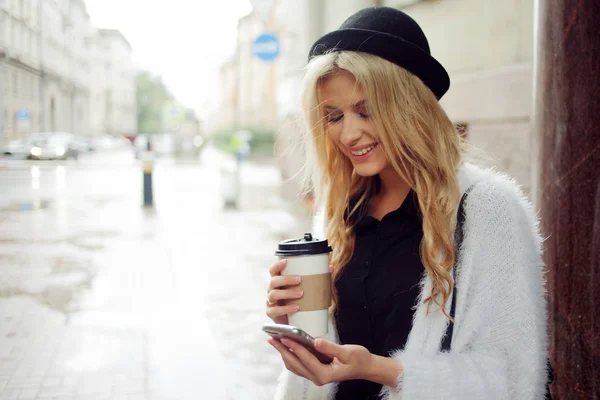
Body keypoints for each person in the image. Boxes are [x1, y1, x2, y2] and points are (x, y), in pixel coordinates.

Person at [265, 6, 548, 400]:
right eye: (334, 116)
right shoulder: (339, 212)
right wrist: (298, 323)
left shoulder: (488, 211)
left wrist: (379, 370)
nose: (348, 134)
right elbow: (328, 358)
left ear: (409, 106)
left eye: (365, 111)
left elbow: (513, 377)